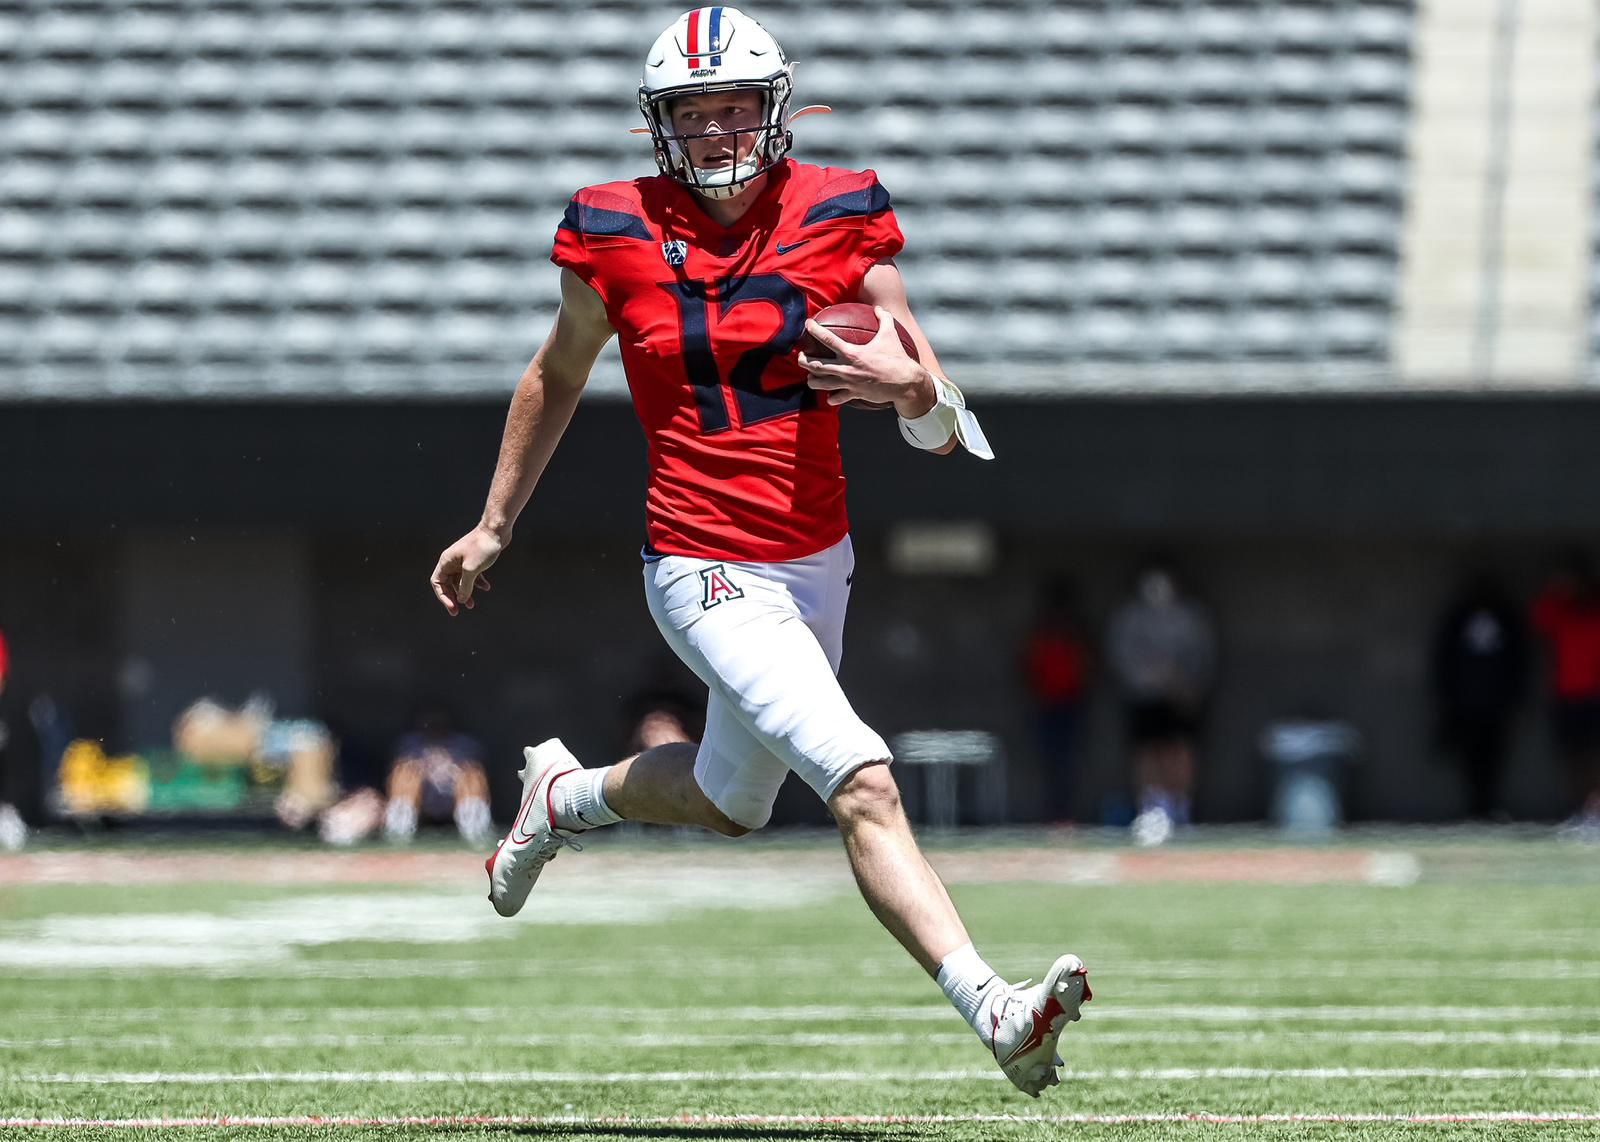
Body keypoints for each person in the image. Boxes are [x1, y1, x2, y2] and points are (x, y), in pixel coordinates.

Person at [427, 7, 1087, 1098]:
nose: (721, 130)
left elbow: (935, 401)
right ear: (660, 125)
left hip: (815, 558)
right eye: (695, 111)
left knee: (734, 799)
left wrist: (910, 388)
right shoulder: (609, 227)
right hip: (698, 561)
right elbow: (555, 372)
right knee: (862, 778)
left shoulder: (839, 208)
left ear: (775, 110)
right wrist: (495, 520)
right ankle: (996, 1008)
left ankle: (564, 796)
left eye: (737, 106)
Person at [1106, 563, 1216, 846]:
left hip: (1180, 695)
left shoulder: (1189, 617)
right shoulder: (1132, 616)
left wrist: (1188, 684)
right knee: (1147, 751)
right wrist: (1148, 676)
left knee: (1179, 750)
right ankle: (1152, 810)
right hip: (1144, 695)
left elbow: (1201, 655)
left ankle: (1180, 810)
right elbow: (1122, 655)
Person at [1431, 573, 1527, 820]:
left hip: (1496, 701)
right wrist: (1448, 696)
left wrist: (1515, 696)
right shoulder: (1460, 618)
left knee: (1494, 754)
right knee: (1469, 755)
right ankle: (1475, 805)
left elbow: (1517, 659)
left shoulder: (1504, 618)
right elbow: (1446, 659)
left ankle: (1489, 804)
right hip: (1466, 701)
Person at [1532, 551, 1600, 830]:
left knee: (1594, 758)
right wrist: (1556, 588)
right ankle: (1579, 813)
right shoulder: (1562, 611)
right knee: (1572, 758)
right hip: (1567, 696)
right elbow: (1539, 619)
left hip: (1595, 696)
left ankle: (1595, 813)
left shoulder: (1595, 610)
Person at [1022, 578, 1089, 824]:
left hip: (1070, 704)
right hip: (1046, 704)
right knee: (1050, 761)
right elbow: (1029, 668)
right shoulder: (1040, 634)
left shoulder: (1075, 633)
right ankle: (1053, 815)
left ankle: (1067, 815)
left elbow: (1086, 667)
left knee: (1068, 762)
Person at [383, 703, 494, 847]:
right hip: (421, 798)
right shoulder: (410, 742)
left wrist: (450, 772)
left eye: (438, 721)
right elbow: (400, 767)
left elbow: (472, 768)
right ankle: (399, 829)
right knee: (405, 772)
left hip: (454, 797)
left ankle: (475, 829)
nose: (433, 725)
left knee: (472, 775)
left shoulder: (464, 743)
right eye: (429, 721)